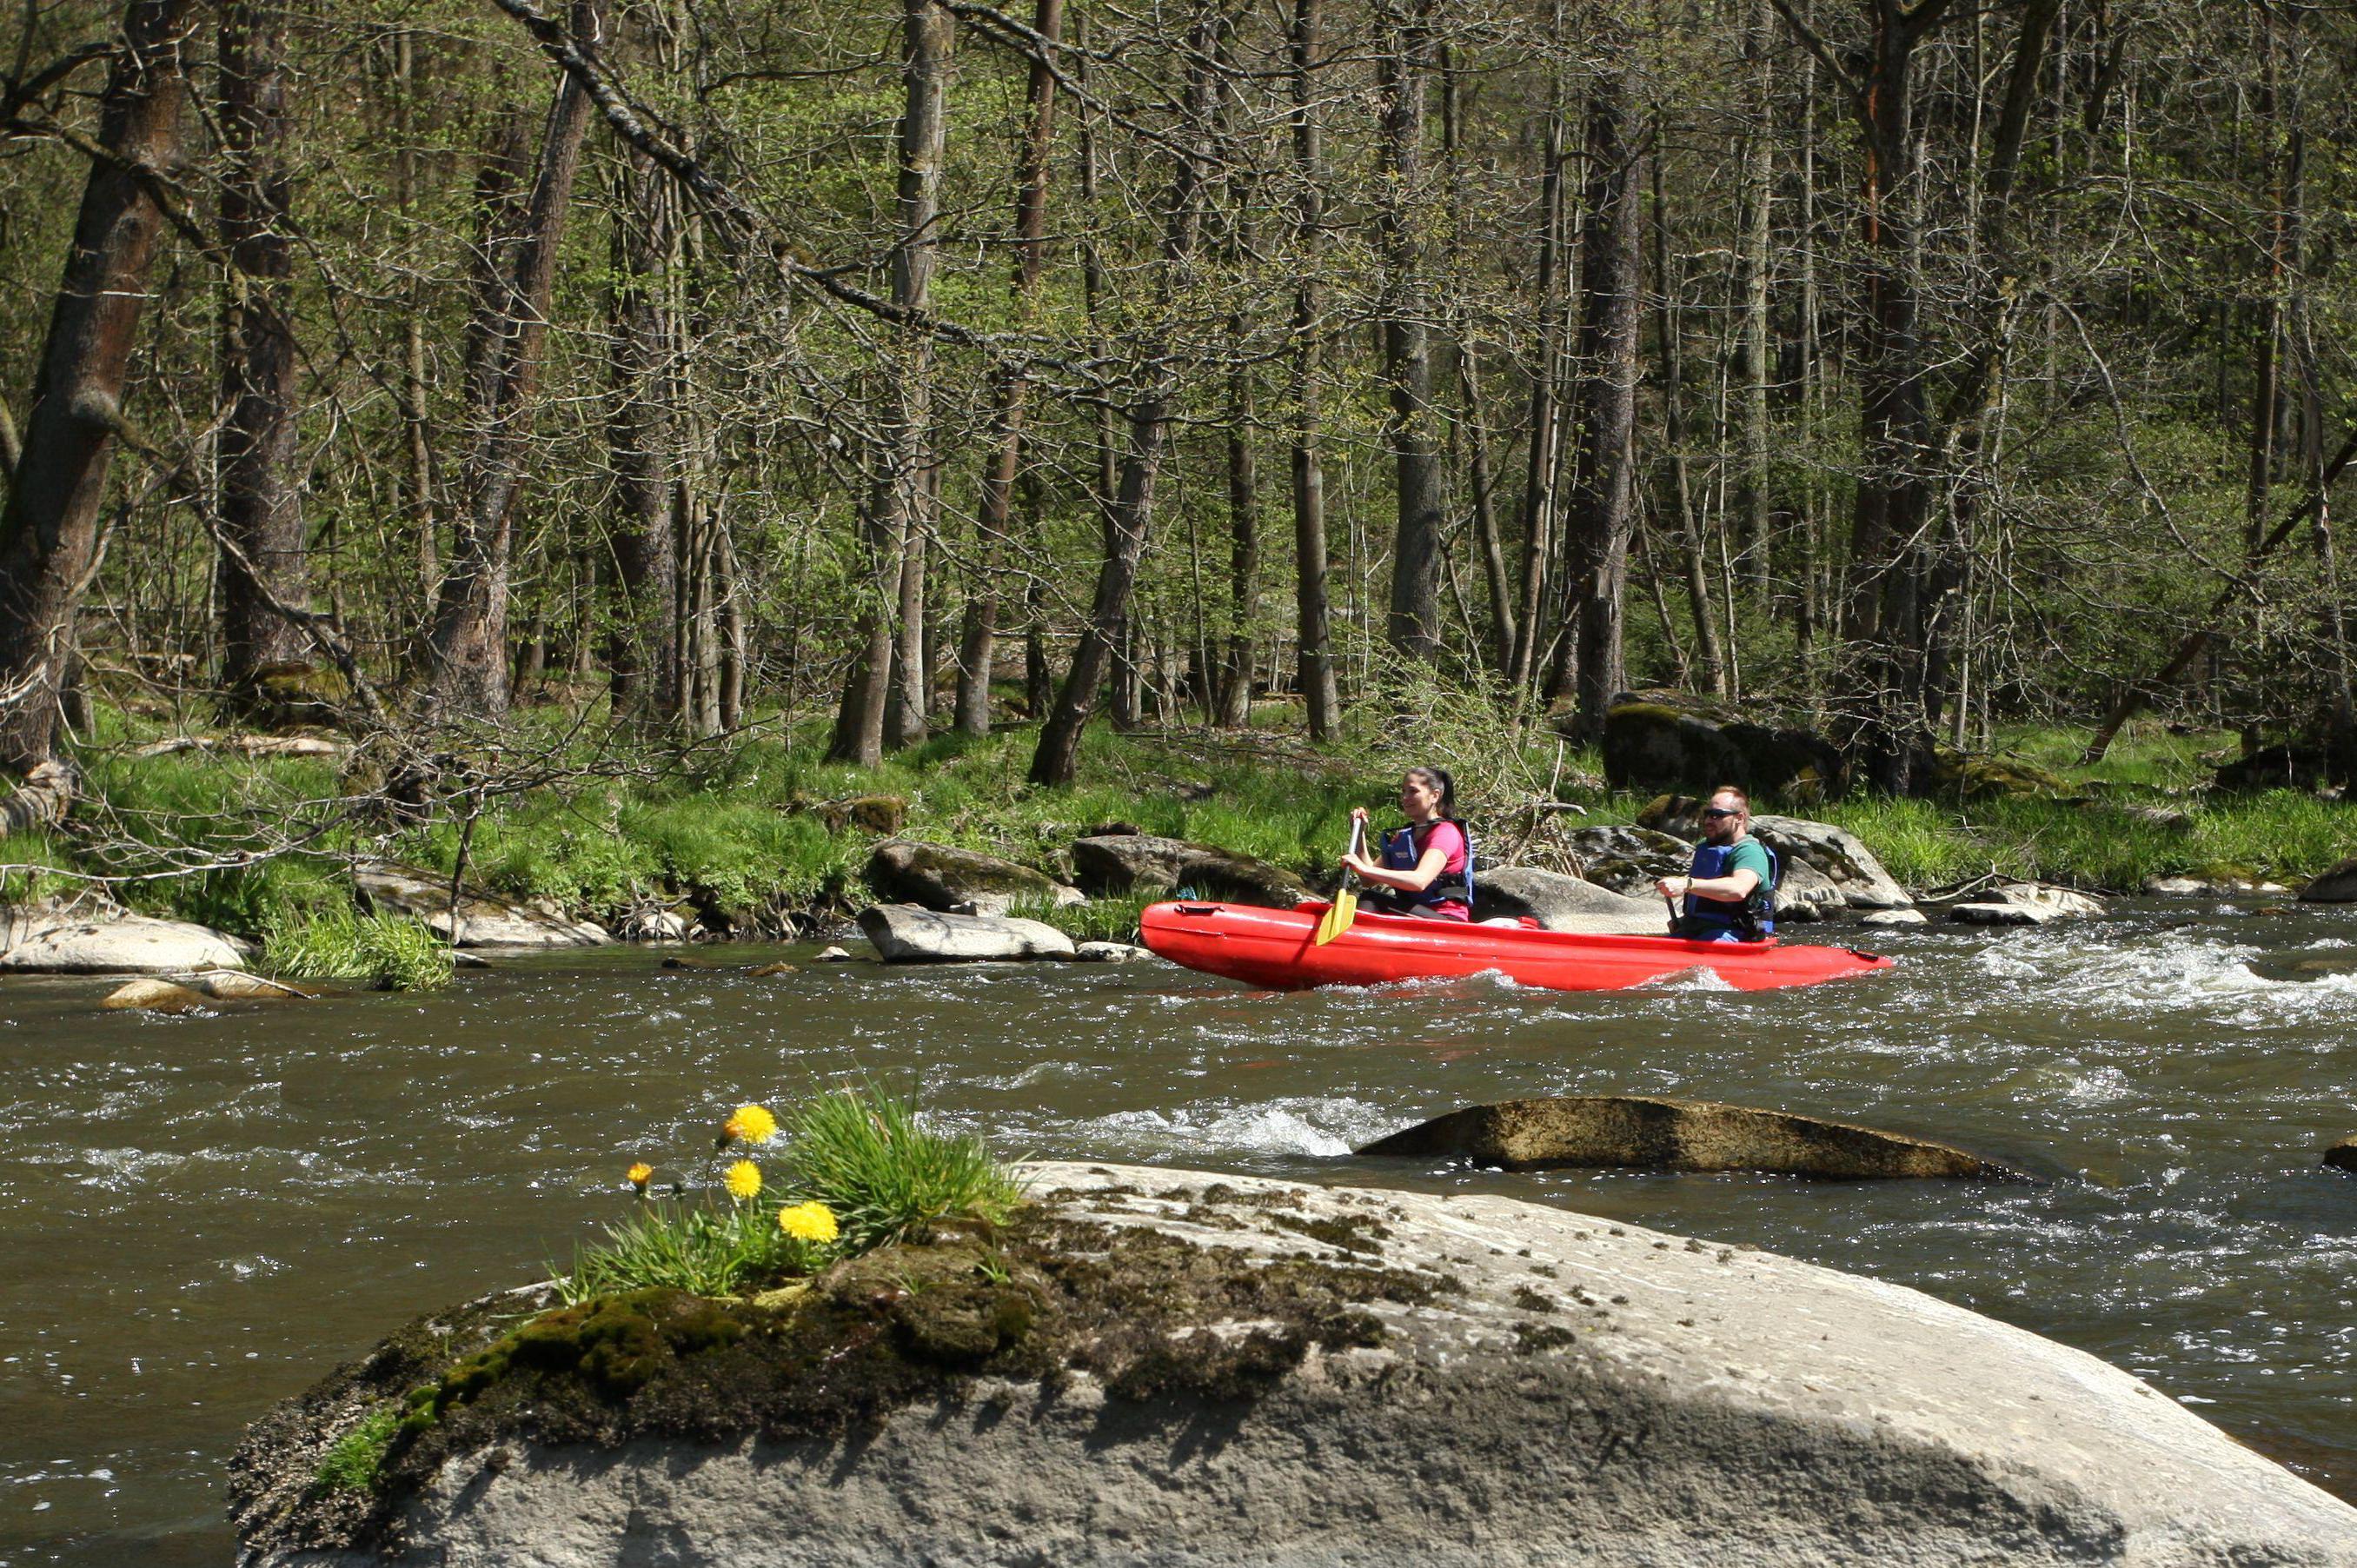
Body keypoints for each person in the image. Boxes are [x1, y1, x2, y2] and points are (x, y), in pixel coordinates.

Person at [1343, 766, 1474, 921]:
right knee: (1369, 897)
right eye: (1403, 791)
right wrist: (1359, 833)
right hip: (1414, 913)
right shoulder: (1404, 837)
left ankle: (1357, 942)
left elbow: (1420, 881)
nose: (1405, 797)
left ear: (1434, 796)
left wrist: (1364, 869)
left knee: (1371, 899)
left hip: (1446, 919)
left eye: (1413, 791)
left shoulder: (1446, 833)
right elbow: (1368, 880)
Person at [1655, 785, 1777, 941]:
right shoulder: (1707, 847)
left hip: (1734, 934)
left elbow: (1739, 889)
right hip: (1697, 929)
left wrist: (1687, 884)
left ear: (1739, 818)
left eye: (1717, 815)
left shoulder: (1750, 852)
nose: (1708, 821)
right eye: (1707, 814)